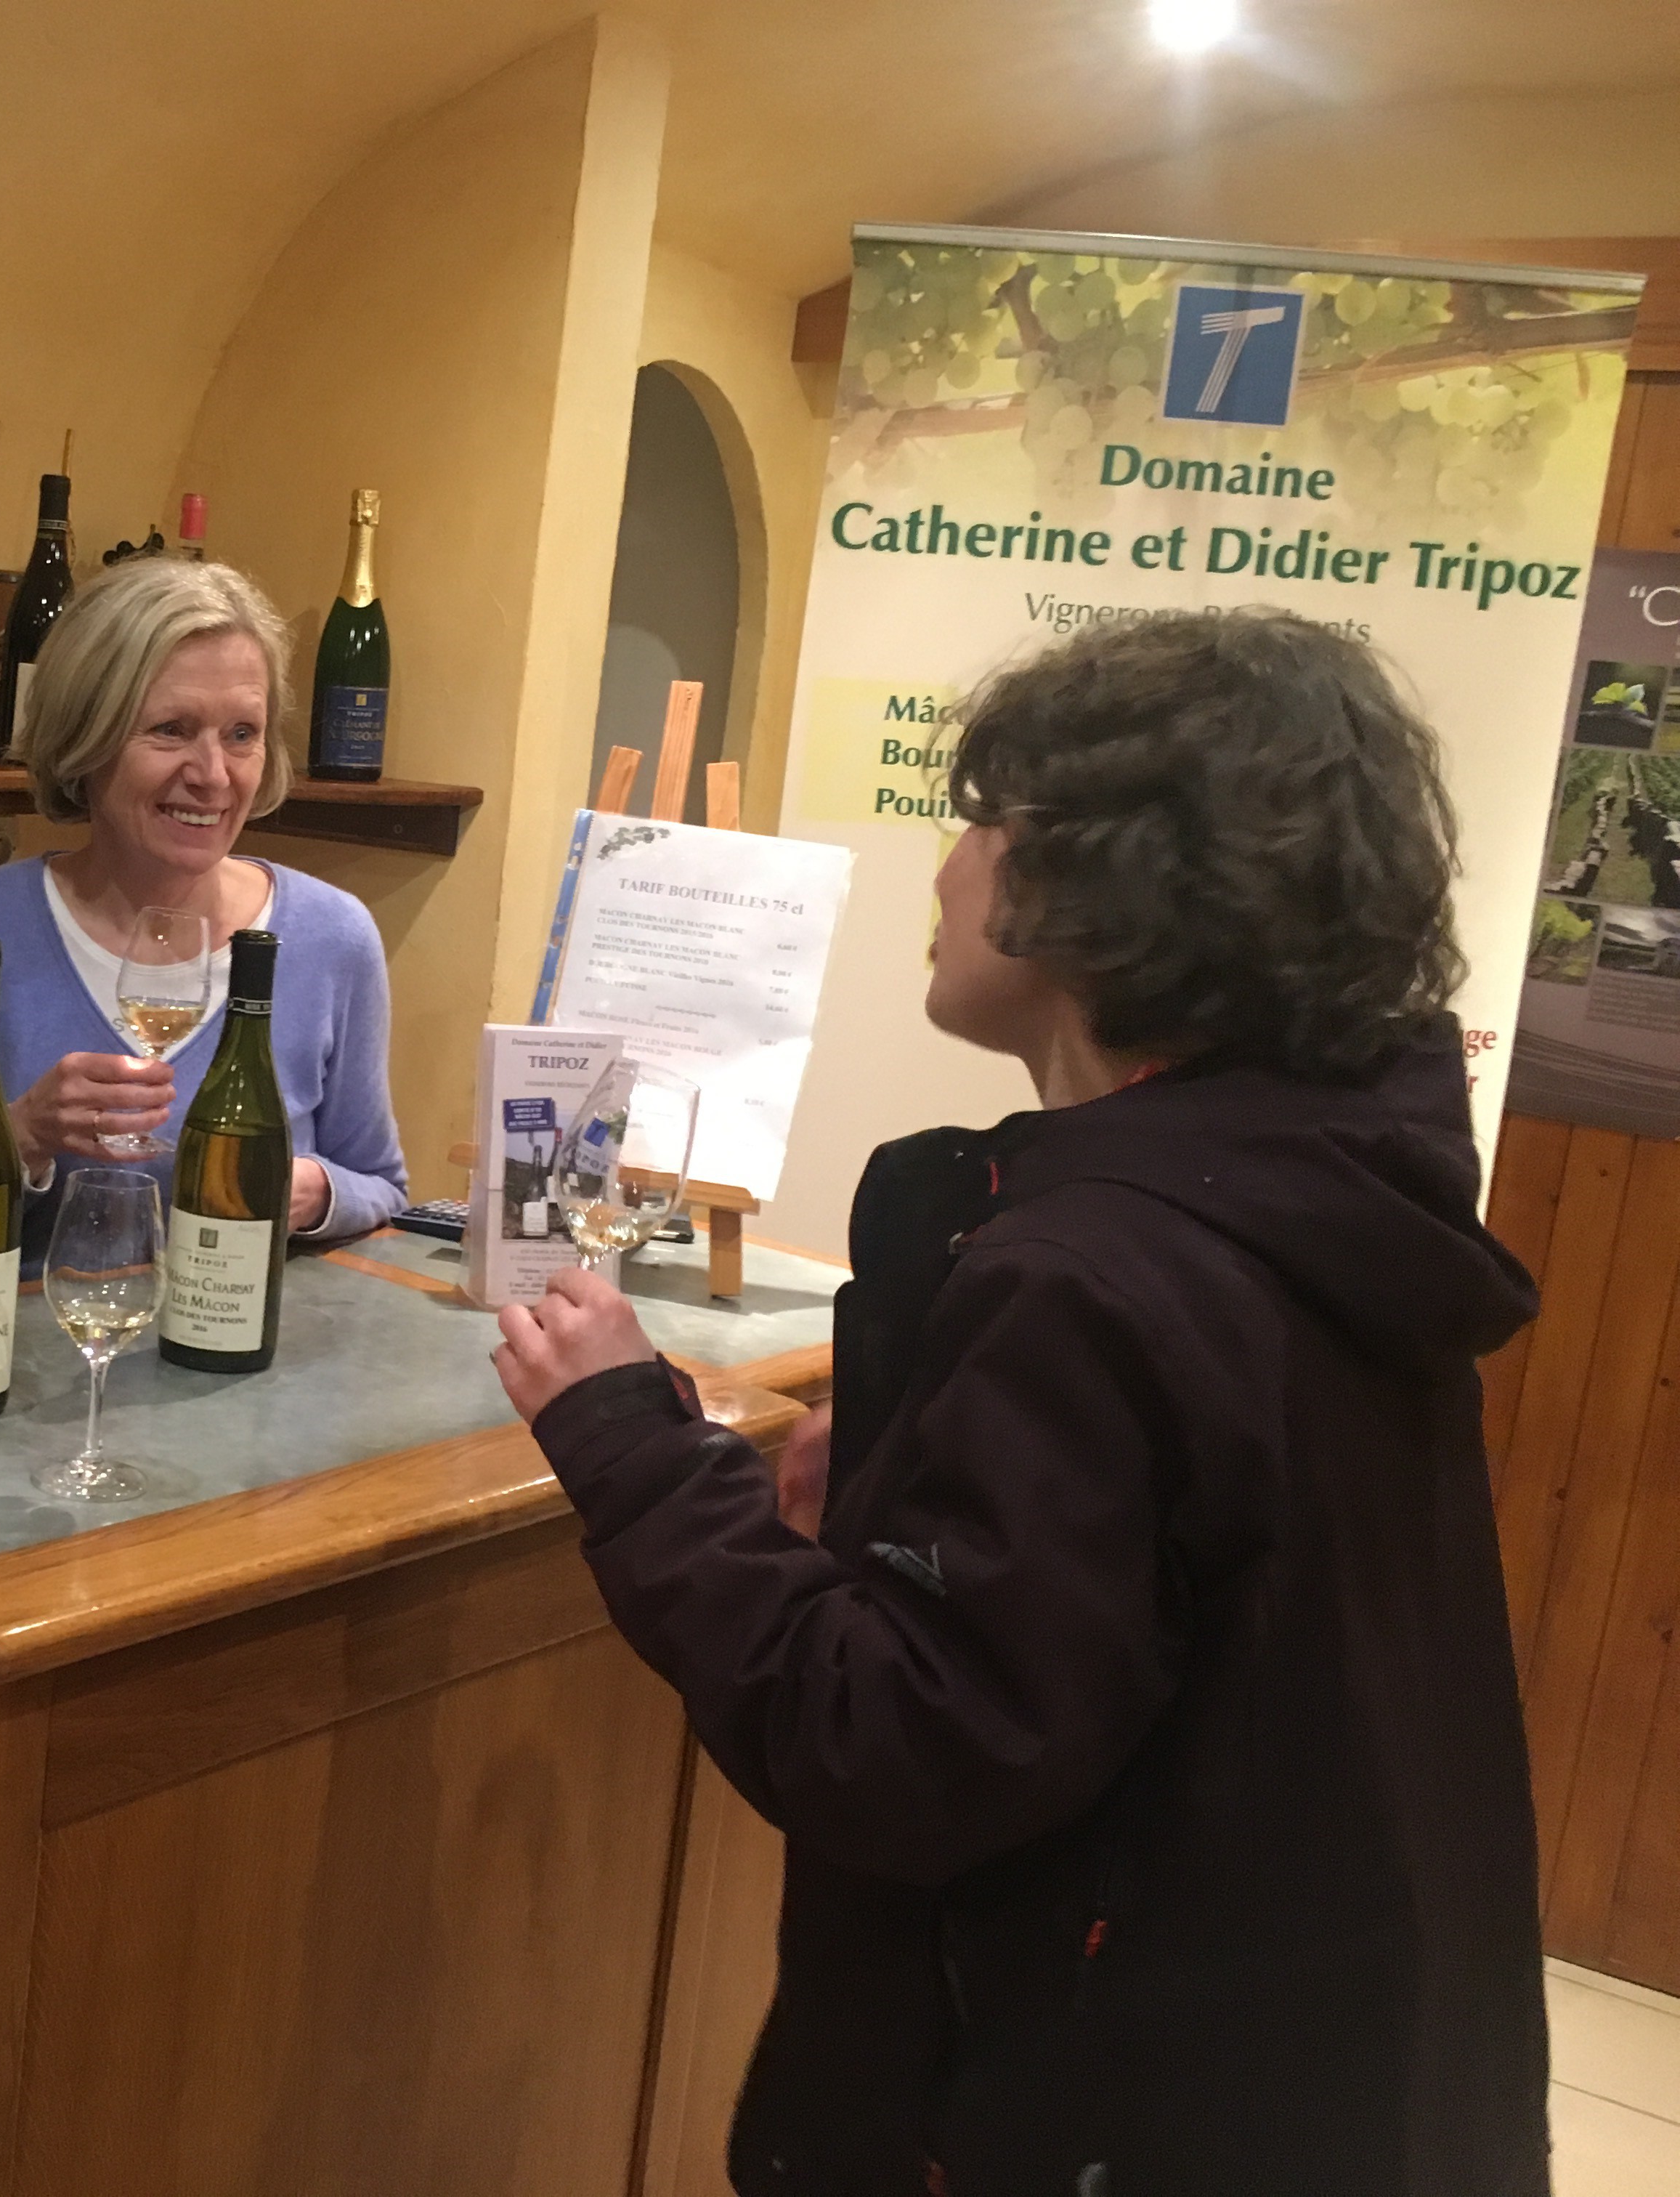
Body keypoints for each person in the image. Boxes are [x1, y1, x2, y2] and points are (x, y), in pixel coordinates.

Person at [495, 611, 1549, 2194]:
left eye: (982, 819)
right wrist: (907, 1484)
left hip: (1085, 2108)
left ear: (1102, 878)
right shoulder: (1332, 1204)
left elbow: (900, 1751)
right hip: (1335, 2078)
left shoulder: (1088, 1275)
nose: (944, 872)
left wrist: (630, 1442)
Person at [0, 556, 405, 1263]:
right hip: (29, 1330)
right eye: (171, 729)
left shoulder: (332, 937)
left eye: (241, 734)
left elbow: (380, 1183)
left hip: (243, 1333)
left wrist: (317, 1191)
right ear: (85, 738)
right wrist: (20, 1135)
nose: (213, 775)